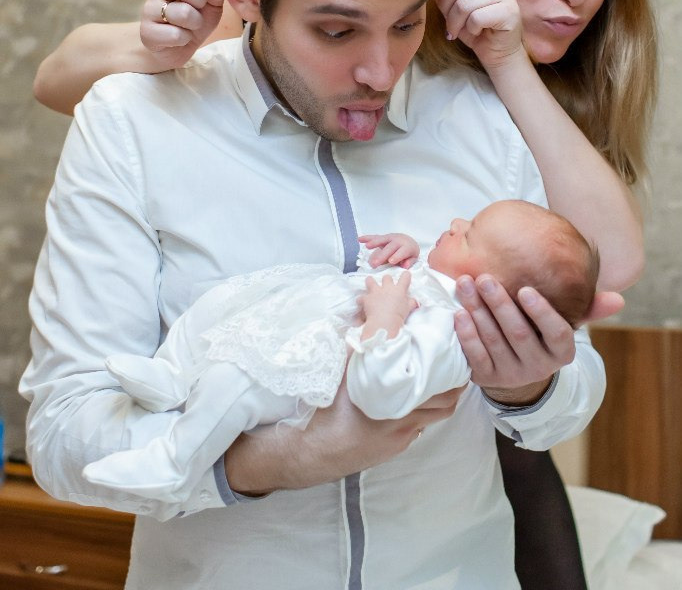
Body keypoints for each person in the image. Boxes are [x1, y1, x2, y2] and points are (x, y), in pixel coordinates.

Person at [21, 0, 619, 590]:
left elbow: (577, 383)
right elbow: (66, 437)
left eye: (407, 23)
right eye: (337, 30)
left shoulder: (488, 124)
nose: (379, 69)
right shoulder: (134, 127)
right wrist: (276, 458)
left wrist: (535, 387)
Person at [81, 200, 599, 505]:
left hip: (306, 367)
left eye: (470, 234)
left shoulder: (449, 334)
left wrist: (384, 317)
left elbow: (382, 391)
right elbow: (415, 276)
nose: (457, 222)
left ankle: (174, 461)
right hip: (293, 319)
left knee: (233, 383)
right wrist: (408, 252)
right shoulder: (440, 282)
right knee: (221, 306)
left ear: (487, 287)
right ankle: (173, 376)